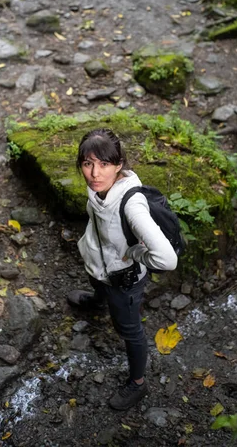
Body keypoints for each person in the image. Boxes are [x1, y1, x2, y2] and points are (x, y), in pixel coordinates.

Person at [67, 128, 178, 410]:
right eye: (87, 164)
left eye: (104, 164)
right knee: (97, 283)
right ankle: (96, 301)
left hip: (123, 280)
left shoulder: (133, 206)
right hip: (100, 266)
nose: (94, 173)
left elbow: (167, 259)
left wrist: (137, 253)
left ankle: (138, 383)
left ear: (119, 166)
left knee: (130, 331)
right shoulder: (99, 186)